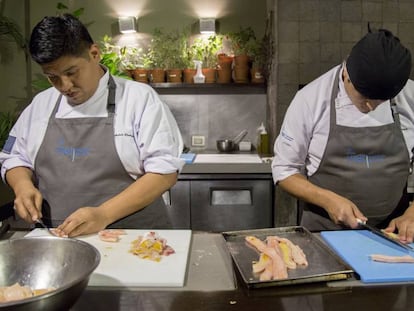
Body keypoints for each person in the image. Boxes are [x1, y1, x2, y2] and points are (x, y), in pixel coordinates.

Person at [0, 14, 184, 237]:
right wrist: (22, 186)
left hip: (132, 238)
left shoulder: (139, 99)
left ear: (94, 54)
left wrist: (104, 214)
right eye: (53, 77)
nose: (65, 85)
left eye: (71, 72)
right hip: (56, 240)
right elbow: (15, 157)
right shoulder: (42, 104)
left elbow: (164, 172)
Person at [272, 26, 414, 243]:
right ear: (346, 71)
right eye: (363, 97)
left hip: (395, 237)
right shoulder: (310, 99)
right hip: (325, 234)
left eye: (380, 101)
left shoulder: (410, 97)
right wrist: (327, 199)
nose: (370, 107)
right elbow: (284, 169)